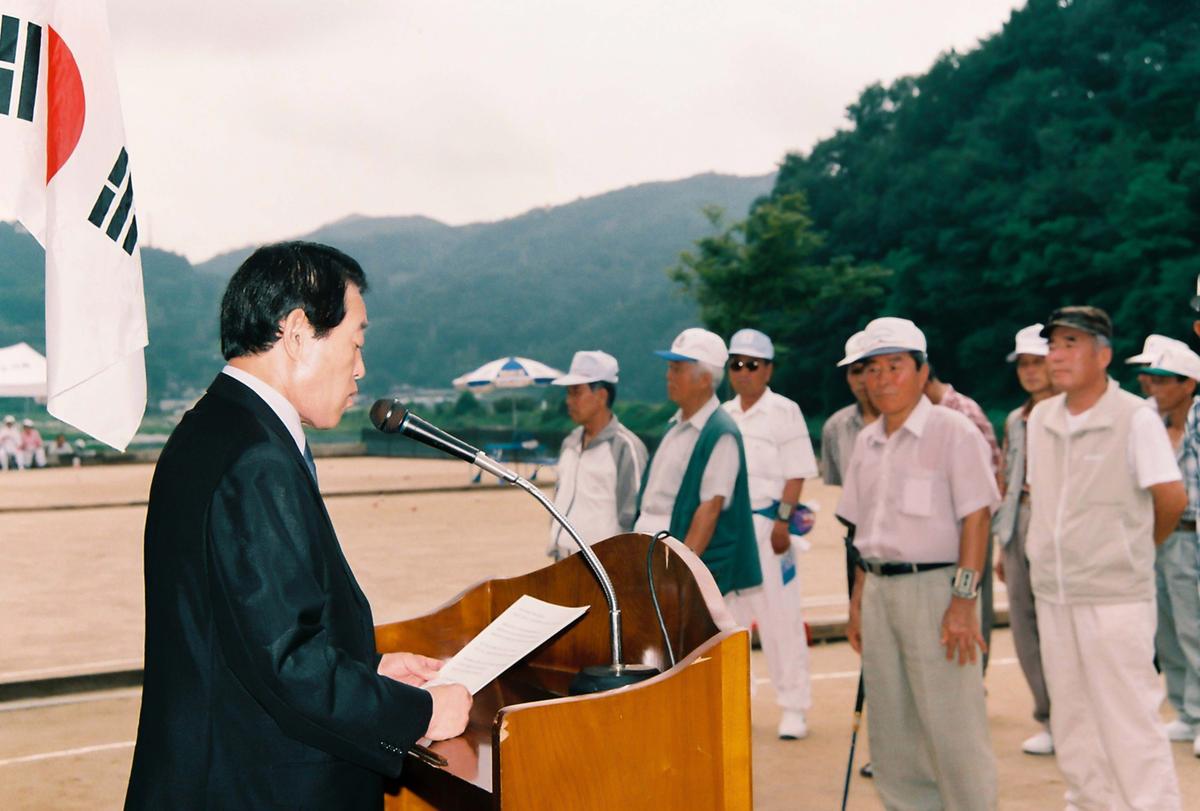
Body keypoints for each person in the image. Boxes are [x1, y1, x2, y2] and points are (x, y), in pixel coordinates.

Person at [125, 242, 472, 810]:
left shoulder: (209, 428)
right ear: (296, 332)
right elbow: (289, 664)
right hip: (256, 787)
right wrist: (421, 711)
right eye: (355, 342)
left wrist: (371, 668)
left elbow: (245, 634)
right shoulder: (256, 458)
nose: (360, 367)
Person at [1026, 306, 1185, 810]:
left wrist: (1131, 548)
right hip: (1054, 593)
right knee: (1072, 719)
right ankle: (1090, 803)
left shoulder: (1134, 417)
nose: (1057, 354)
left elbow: (1171, 498)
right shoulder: (1041, 418)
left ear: (1103, 354)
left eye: (1071, 343)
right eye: (1053, 344)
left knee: (1128, 720)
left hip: (1116, 596)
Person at [839, 316, 999, 810]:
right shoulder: (867, 441)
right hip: (881, 593)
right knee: (892, 726)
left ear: (921, 369)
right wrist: (858, 603)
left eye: (895, 366)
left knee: (952, 724)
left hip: (936, 591)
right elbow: (864, 533)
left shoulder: (953, 431)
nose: (883, 378)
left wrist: (964, 601)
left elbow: (977, 519)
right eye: (872, 369)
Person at [721, 328, 818, 739]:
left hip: (769, 526)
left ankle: (793, 706)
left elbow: (796, 471)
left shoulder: (784, 411)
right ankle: (737, 700)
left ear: (768, 369)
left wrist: (782, 521)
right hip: (732, 529)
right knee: (730, 620)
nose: (743, 373)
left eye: (752, 365)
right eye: (735, 365)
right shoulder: (722, 414)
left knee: (781, 619)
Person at [634, 327, 761, 596]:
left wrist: (681, 575)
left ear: (704, 379)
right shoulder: (676, 426)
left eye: (677, 369)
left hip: (675, 567)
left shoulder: (720, 432)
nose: (668, 376)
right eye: (670, 368)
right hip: (650, 561)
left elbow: (710, 509)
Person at [991, 324, 1056, 756]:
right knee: (1025, 626)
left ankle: (1076, 716)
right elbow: (1006, 482)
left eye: (1038, 362)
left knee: (1063, 624)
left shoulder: (1072, 413)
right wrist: (1002, 541)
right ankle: (1047, 716)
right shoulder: (1016, 419)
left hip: (1058, 523)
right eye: (1024, 364)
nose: (1030, 372)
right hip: (1020, 523)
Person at [1142, 342, 1200, 754]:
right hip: (1160, 534)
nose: (1154, 386)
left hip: (1194, 533)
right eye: (1152, 379)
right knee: (1167, 630)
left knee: (1194, 627)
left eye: (1163, 380)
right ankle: (1185, 711)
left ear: (1188, 384)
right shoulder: (1149, 422)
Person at [546, 350, 648, 559]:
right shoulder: (570, 443)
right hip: (562, 560)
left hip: (602, 565)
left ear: (601, 395)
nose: (569, 401)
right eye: (568, 393)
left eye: (576, 392)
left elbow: (634, 519)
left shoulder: (626, 447)